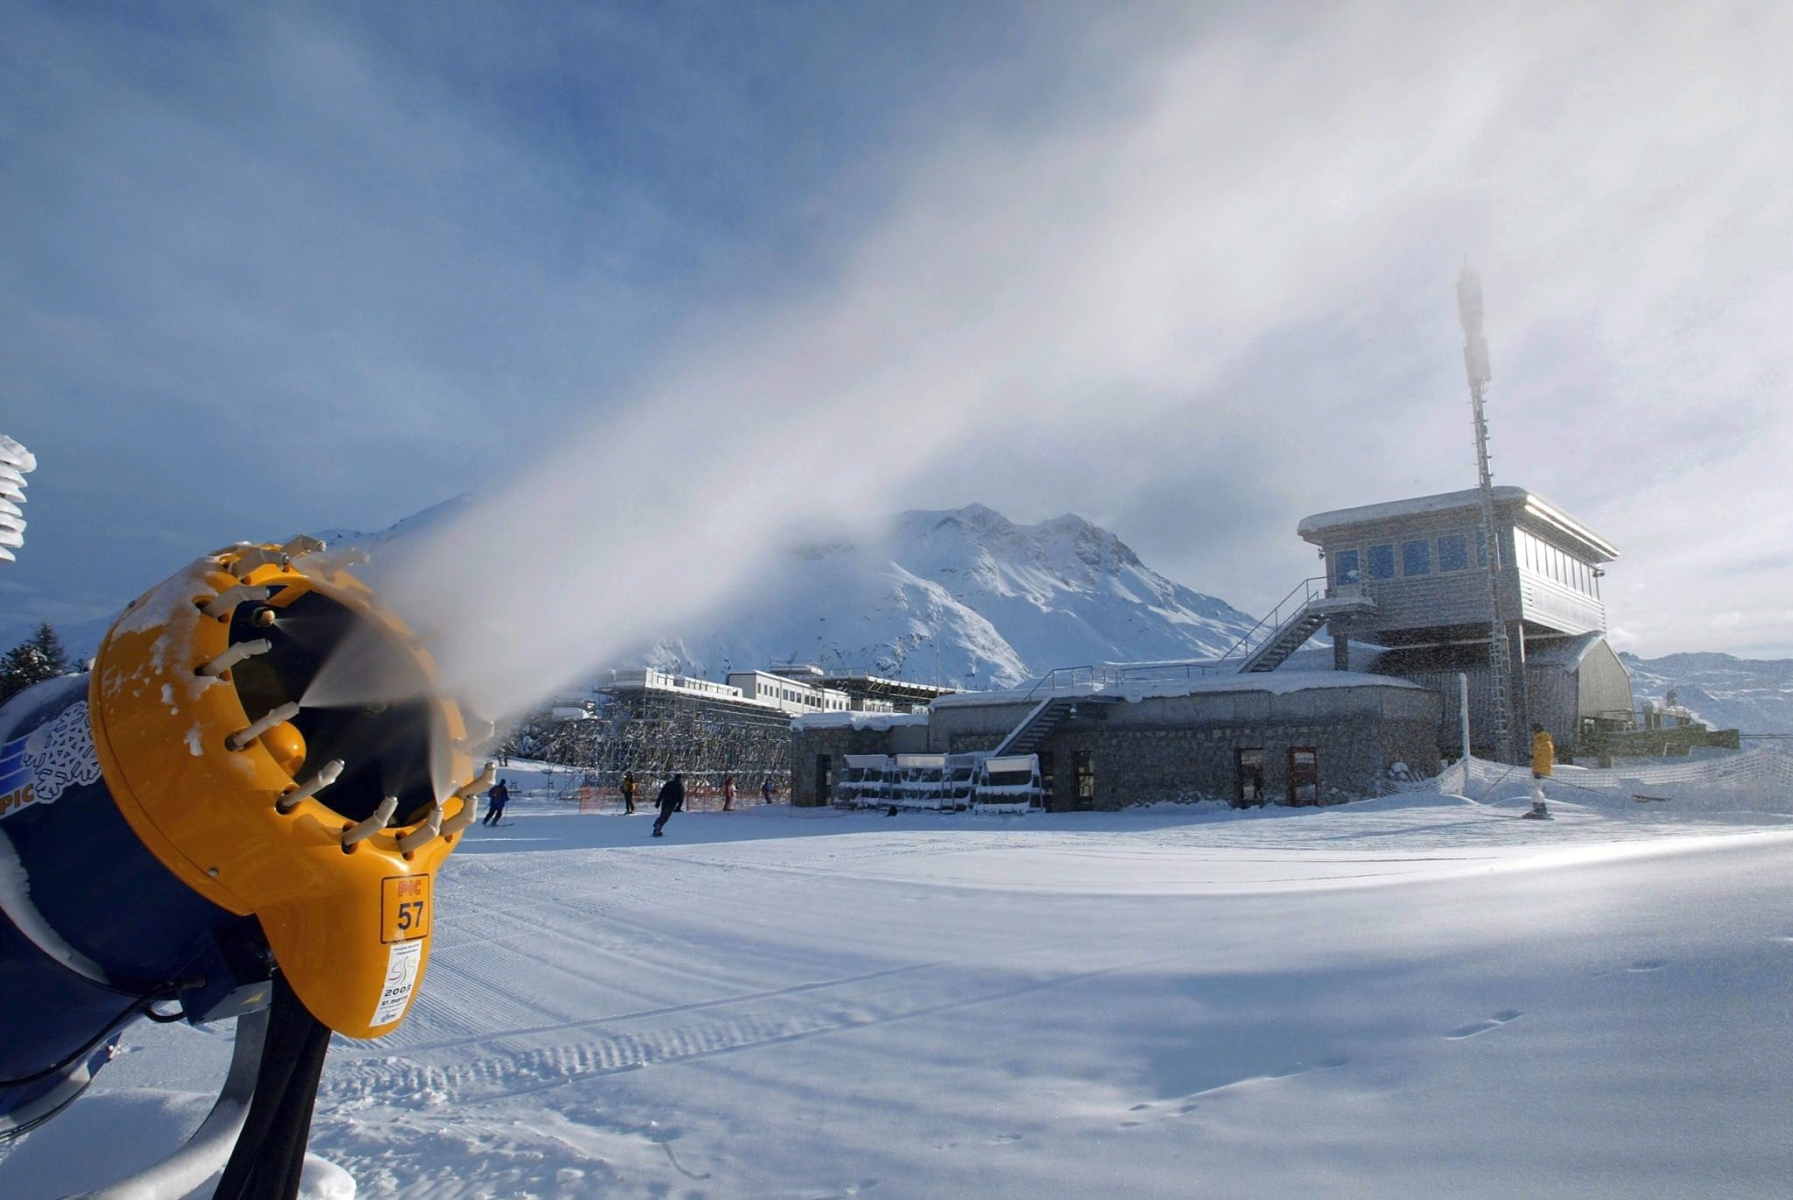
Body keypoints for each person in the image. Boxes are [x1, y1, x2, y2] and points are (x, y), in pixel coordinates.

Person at [1526, 723, 1554, 819]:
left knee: (1535, 789)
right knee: (1536, 789)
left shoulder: (1541, 742)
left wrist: (1539, 771)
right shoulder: (1544, 741)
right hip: (1541, 769)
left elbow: (1544, 758)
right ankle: (1540, 809)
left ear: (1536, 730)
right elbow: (1542, 756)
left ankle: (1539, 810)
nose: (1531, 732)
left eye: (1532, 730)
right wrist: (1533, 757)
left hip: (1539, 770)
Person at [652, 773, 685, 838]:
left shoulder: (668, 784)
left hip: (664, 803)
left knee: (662, 816)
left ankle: (656, 828)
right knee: (664, 817)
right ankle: (657, 828)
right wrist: (678, 807)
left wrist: (658, 802)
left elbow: (661, 793)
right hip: (671, 804)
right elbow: (681, 797)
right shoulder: (680, 786)